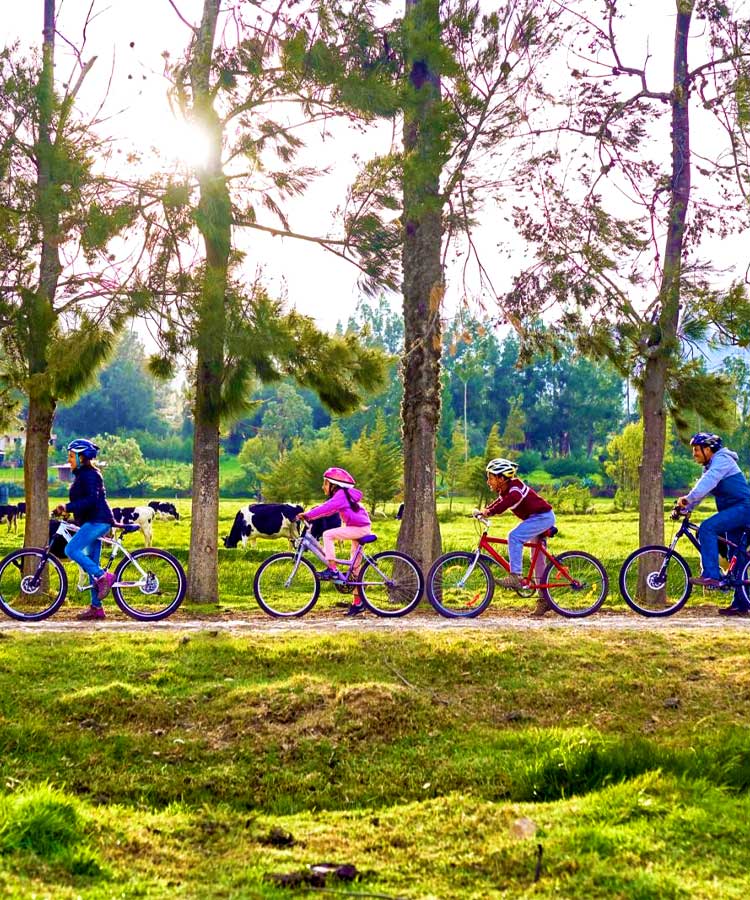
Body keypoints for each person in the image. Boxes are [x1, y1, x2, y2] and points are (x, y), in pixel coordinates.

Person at [676, 432, 750, 616]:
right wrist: (686, 507)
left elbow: (708, 482)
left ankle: (711, 575)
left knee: (707, 528)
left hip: (744, 508)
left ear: (708, 449)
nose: (694, 453)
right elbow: (703, 488)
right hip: (734, 512)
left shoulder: (722, 460)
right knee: (736, 556)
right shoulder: (710, 465)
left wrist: (687, 499)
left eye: (696, 449)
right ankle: (742, 603)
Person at [481, 457, 556, 618]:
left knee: (514, 536)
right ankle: (545, 600)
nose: (488, 481)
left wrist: (490, 512)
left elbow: (508, 502)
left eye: (491, 477)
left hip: (542, 517)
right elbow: (499, 502)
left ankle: (515, 576)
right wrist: (486, 510)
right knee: (538, 559)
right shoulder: (506, 490)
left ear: (502, 478)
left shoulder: (515, 489)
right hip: (536, 518)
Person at [52, 439, 116, 621]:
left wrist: (68, 506)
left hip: (98, 521)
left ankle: (104, 576)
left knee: (71, 549)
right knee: (90, 563)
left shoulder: (90, 475)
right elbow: (85, 503)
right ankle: (96, 608)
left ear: (82, 457)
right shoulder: (82, 475)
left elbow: (91, 500)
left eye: (72, 456)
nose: (69, 460)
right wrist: (66, 511)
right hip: (91, 521)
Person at [296, 467, 372, 617]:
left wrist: (308, 515)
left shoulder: (340, 495)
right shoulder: (341, 495)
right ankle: (358, 604)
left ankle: (333, 569)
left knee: (328, 534)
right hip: (358, 527)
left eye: (325, 483)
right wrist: (312, 515)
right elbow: (328, 510)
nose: (323, 486)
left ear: (333, 485)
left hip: (360, 529)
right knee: (355, 569)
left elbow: (327, 507)